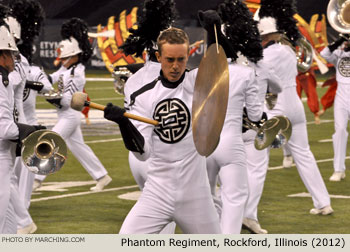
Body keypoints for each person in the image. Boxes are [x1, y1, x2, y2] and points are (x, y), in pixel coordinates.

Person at [104, 27, 221, 234]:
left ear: (188, 57)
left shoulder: (199, 84)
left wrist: (214, 33)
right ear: (158, 56)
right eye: (169, 60)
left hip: (197, 196)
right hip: (157, 193)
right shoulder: (143, 93)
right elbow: (143, 154)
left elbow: (220, 67)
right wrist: (124, 124)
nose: (176, 66)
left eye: (181, 59)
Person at [255, 0, 332, 215]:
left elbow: (259, 81)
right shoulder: (288, 51)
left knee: (258, 160)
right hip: (295, 105)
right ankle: (323, 203)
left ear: (264, 35)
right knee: (304, 154)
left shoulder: (265, 55)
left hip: (274, 106)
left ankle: (247, 211)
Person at [198, 0, 264, 234]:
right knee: (235, 197)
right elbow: (256, 114)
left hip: (203, 142)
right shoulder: (245, 73)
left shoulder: (199, 72)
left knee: (205, 197)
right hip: (230, 141)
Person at [33, 18, 112, 192]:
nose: (63, 60)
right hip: (64, 113)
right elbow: (53, 77)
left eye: (67, 57)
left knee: (50, 140)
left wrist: (53, 97)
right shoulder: (66, 69)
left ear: (76, 56)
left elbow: (71, 99)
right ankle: (102, 176)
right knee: (79, 147)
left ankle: (36, 179)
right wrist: (38, 79)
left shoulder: (78, 73)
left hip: (70, 113)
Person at [0, 18, 44, 233]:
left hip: (6, 153)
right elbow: (4, 128)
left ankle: (25, 223)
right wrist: (32, 131)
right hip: (0, 155)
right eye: (9, 53)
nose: (13, 58)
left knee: (8, 229)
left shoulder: (5, 78)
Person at [320, 34, 350, 182]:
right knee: (339, 132)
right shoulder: (338, 53)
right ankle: (338, 170)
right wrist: (339, 41)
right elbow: (324, 54)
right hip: (341, 98)